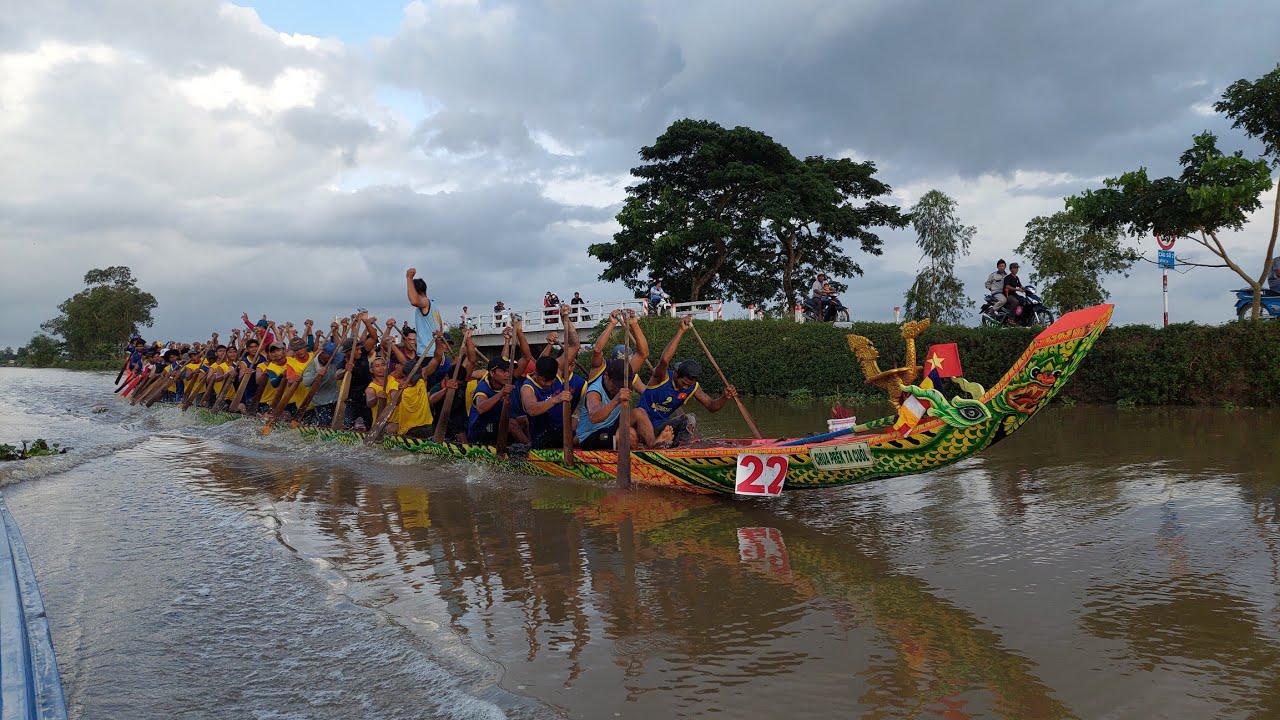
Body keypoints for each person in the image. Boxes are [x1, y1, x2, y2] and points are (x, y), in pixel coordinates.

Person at [635, 316, 738, 447]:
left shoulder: (692, 387)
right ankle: (657, 445)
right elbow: (664, 361)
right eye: (683, 383)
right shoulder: (661, 377)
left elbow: (712, 406)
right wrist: (681, 331)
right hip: (643, 428)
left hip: (662, 428)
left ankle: (678, 449)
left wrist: (724, 397)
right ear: (676, 373)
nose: (686, 387)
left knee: (689, 419)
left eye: (688, 384)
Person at [406, 268, 443, 358]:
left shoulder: (425, 302)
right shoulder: (434, 307)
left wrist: (409, 278)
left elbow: (414, 301)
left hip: (427, 354)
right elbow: (441, 329)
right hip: (435, 353)